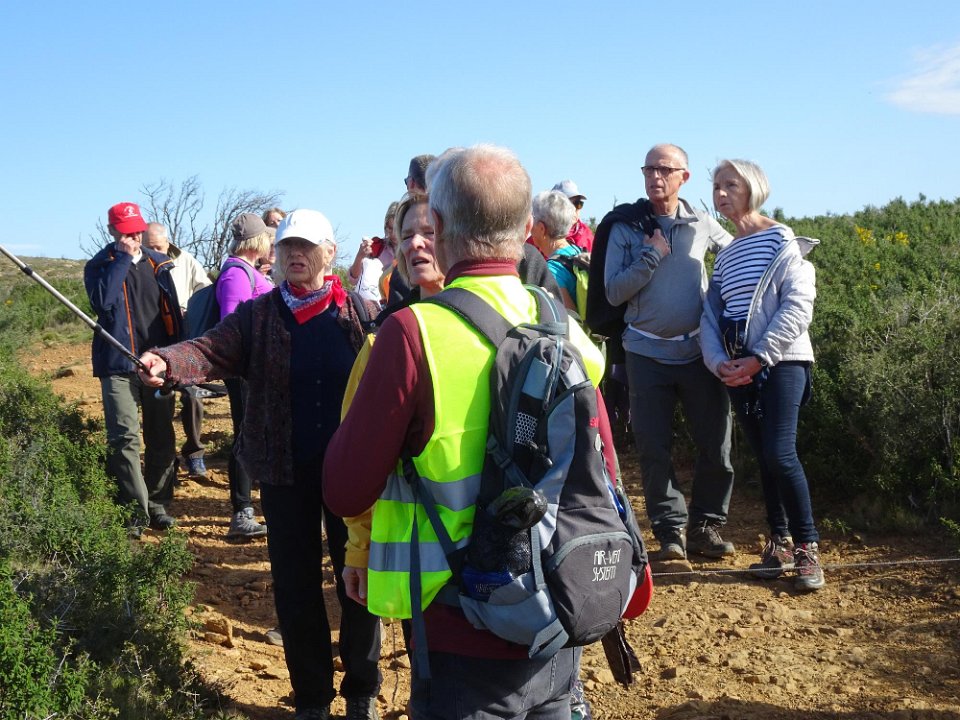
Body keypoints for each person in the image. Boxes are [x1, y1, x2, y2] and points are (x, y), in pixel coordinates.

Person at [324, 144, 613, 720]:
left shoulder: (411, 333)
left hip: (457, 626)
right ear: (527, 229)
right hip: (557, 611)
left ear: (440, 225)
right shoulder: (558, 323)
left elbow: (345, 489)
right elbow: (598, 460)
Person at [138, 209, 383, 720]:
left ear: (330, 253)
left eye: (307, 246)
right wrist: (168, 361)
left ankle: (361, 691)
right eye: (288, 245)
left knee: (359, 580)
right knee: (295, 588)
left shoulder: (358, 314)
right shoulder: (258, 316)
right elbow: (208, 349)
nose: (296, 255)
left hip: (350, 473)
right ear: (275, 252)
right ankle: (312, 699)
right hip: (282, 471)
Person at [604, 143, 736, 561]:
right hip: (644, 352)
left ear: (684, 177)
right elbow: (613, 291)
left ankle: (706, 527)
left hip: (699, 352)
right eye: (649, 169)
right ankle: (670, 534)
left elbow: (736, 255)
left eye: (664, 169)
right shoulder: (627, 226)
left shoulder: (703, 224)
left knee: (716, 444)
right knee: (653, 448)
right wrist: (651, 255)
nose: (655, 177)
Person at [700, 159, 824, 591]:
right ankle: (780, 544)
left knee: (780, 453)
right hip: (739, 370)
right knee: (764, 457)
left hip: (784, 361)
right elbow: (711, 316)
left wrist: (760, 357)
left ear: (753, 188)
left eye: (730, 185)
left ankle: (807, 547)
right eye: (716, 186)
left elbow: (798, 305)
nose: (720, 193)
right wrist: (719, 363)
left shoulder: (781, 240)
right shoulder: (726, 254)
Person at [84, 202, 183, 537]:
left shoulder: (159, 264)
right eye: (127, 231)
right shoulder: (99, 265)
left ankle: (158, 504)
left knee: (161, 434)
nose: (134, 236)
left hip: (157, 363)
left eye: (137, 230)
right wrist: (123, 260)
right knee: (124, 438)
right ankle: (134, 513)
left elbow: (173, 313)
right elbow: (102, 303)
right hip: (117, 364)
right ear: (112, 231)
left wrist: (176, 359)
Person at [217, 213, 275, 539]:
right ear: (257, 240)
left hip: (256, 370)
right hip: (244, 372)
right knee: (245, 435)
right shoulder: (236, 274)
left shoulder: (249, 271)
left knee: (256, 435)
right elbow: (231, 325)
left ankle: (252, 509)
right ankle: (242, 513)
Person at [144, 222, 212, 479]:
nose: (154, 252)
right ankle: (166, 461)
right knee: (160, 398)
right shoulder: (139, 266)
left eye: (158, 247)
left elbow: (204, 290)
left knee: (192, 395)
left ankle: (194, 454)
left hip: (184, 336)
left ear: (168, 243)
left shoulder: (186, 260)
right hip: (153, 339)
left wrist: (191, 311)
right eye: (149, 247)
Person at [530, 190, 580, 312]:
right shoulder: (577, 251)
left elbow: (570, 318)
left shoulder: (552, 272)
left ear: (542, 228)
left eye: (532, 222)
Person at [349, 201, 399, 304]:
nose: (393, 234)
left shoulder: (411, 248)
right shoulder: (377, 247)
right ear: (385, 226)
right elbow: (353, 280)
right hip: (377, 304)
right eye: (390, 228)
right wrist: (360, 256)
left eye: (397, 229)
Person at [552, 180, 594, 252]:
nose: (574, 209)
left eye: (578, 203)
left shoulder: (587, 237)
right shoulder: (540, 232)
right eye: (568, 204)